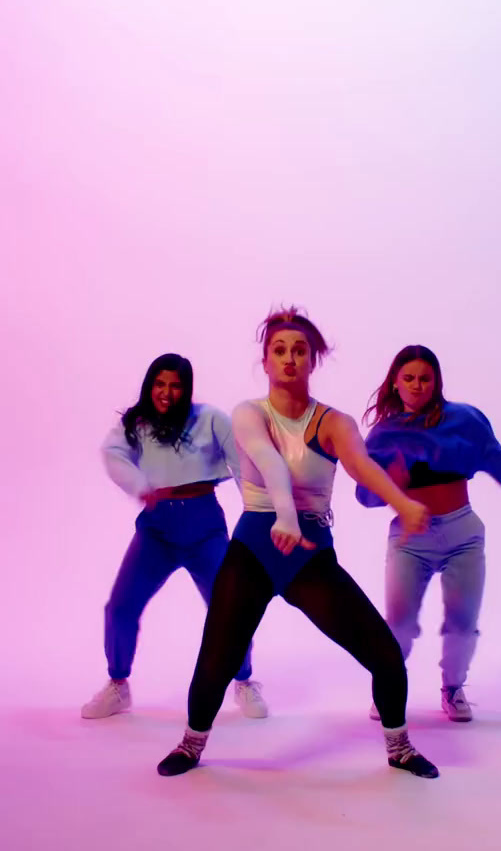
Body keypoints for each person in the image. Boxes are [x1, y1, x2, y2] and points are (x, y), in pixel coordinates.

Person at [157, 310, 439, 779]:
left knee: (385, 655)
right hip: (253, 549)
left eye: (300, 350)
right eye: (279, 350)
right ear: (265, 361)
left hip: (309, 557)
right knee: (218, 657)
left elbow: (363, 467)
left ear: (314, 359)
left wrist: (403, 504)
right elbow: (269, 463)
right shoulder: (249, 413)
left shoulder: (334, 422)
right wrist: (284, 516)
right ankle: (191, 744)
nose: (290, 359)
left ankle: (400, 748)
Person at [356, 345, 501, 722]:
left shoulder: (465, 421)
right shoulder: (383, 435)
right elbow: (364, 496)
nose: (417, 385)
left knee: (462, 623)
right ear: (396, 383)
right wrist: (391, 483)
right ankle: (388, 687)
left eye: (425, 378)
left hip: (462, 532)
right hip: (410, 539)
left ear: (437, 381)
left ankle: (452, 687)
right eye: (409, 378)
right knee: (399, 623)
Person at [82, 353, 267, 720]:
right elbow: (112, 453)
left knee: (231, 608)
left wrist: (257, 510)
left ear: (187, 388)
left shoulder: (210, 418)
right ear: (150, 385)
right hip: (157, 529)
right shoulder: (137, 423)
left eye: (175, 385)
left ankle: (244, 681)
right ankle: (118, 684)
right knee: (120, 606)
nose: (166, 392)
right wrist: (139, 485)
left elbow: (242, 462)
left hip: (205, 527)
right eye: (160, 384)